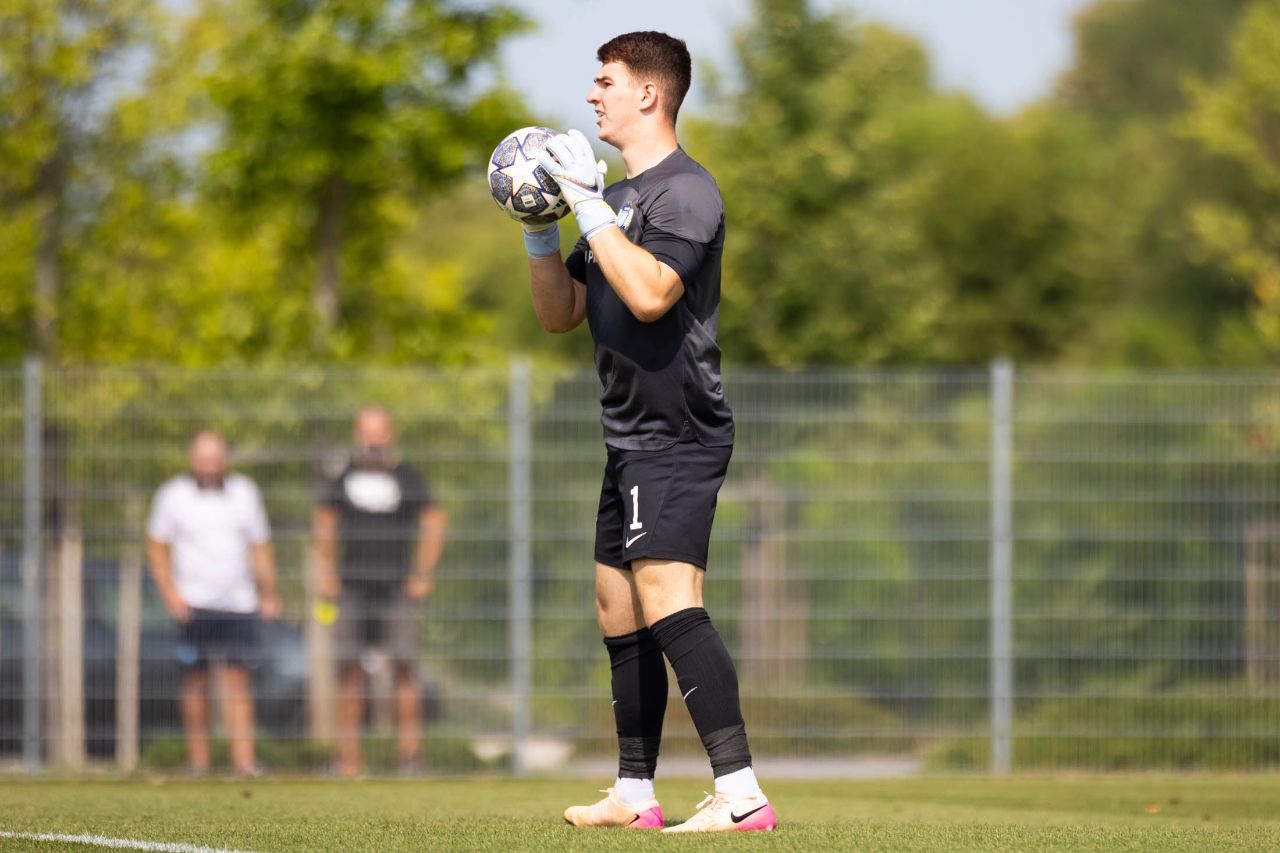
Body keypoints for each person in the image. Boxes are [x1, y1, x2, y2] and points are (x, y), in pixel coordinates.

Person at [521, 31, 776, 833]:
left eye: (606, 81)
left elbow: (652, 293)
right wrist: (539, 230)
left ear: (648, 93)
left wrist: (590, 206)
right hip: (628, 433)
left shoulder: (686, 191)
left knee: (671, 600)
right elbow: (561, 314)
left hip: (679, 431)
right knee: (618, 609)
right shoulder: (618, 198)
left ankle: (741, 792)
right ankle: (635, 793)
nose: (591, 96)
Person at [313, 406, 447, 777]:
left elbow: (434, 521)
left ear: (390, 434)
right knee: (348, 670)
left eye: (379, 432)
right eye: (366, 432)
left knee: (405, 667)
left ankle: (410, 757)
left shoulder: (408, 476)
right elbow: (324, 522)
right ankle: (347, 759)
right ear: (358, 435)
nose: (373, 440)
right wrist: (326, 573)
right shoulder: (341, 476)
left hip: (397, 587)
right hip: (351, 586)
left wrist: (422, 572)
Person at [146, 428, 281, 777]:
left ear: (225, 459)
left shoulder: (245, 492)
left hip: (240, 604)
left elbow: (260, 546)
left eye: (215, 457)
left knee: (239, 682)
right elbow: (157, 547)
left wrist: (269, 592)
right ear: (192, 458)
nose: (210, 463)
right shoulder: (172, 495)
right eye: (203, 457)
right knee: (196, 683)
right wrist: (170, 594)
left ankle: (244, 762)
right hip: (193, 605)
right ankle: (199, 762)